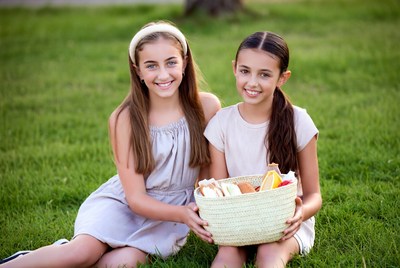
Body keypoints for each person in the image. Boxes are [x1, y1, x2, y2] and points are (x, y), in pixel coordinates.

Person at [1, 20, 220, 268]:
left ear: (185, 62)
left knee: (122, 263)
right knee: (82, 254)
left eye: (171, 62)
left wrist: (198, 207)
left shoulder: (207, 107)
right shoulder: (125, 118)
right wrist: (183, 214)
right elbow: (135, 198)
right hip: (125, 205)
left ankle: (51, 257)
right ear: (137, 71)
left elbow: (206, 173)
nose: (163, 74)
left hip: (168, 217)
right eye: (151, 66)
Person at [203, 31, 322, 268]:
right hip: (238, 219)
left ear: (282, 78)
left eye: (265, 74)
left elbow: (314, 195)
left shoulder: (299, 121)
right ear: (235, 68)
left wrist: (301, 214)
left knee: (269, 254)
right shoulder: (221, 124)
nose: (252, 82)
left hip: (283, 220)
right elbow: (219, 188)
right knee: (226, 258)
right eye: (245, 71)